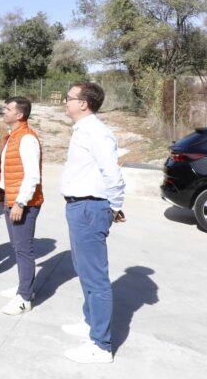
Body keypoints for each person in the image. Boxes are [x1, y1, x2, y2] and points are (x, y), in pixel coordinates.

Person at [60, 81, 127, 364]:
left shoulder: (95, 132)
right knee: (83, 270)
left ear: (83, 103)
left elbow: (112, 172)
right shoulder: (83, 130)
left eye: (69, 98)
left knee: (95, 278)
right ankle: (91, 323)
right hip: (80, 206)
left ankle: (101, 345)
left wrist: (115, 205)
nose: (65, 101)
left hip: (89, 207)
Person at [0, 96, 43, 315]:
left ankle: (24, 298)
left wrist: (20, 203)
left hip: (23, 202)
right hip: (12, 198)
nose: (4, 112)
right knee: (17, 246)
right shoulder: (12, 136)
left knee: (24, 249)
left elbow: (32, 176)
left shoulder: (27, 138)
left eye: (8, 109)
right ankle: (24, 288)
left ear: (19, 114)